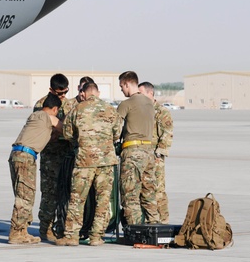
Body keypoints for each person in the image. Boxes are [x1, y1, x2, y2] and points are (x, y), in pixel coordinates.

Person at [55, 82, 121, 246]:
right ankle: (97, 236)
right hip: (106, 161)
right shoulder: (111, 110)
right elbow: (117, 133)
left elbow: (68, 133)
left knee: (77, 198)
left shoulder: (77, 109)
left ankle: (71, 236)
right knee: (103, 199)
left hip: (85, 160)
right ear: (97, 93)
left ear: (83, 93)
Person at [8, 94, 62, 244]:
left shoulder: (34, 115)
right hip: (26, 157)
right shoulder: (48, 117)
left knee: (22, 194)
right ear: (55, 109)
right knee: (25, 197)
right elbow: (65, 129)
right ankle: (15, 233)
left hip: (15, 155)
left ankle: (22, 231)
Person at [116, 71, 161, 226]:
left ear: (127, 84)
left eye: (122, 86)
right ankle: (154, 225)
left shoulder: (126, 104)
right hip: (148, 152)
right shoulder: (149, 103)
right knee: (148, 193)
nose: (122, 90)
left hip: (132, 152)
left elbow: (115, 129)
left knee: (130, 195)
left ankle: (135, 229)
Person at [33, 73, 73, 241]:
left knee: (66, 193)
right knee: (49, 193)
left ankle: (63, 227)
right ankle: (45, 228)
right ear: (51, 90)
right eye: (59, 93)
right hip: (50, 155)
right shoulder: (41, 105)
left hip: (66, 154)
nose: (62, 96)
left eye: (65, 92)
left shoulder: (71, 105)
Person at [139, 81, 173, 222]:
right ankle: (149, 221)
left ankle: (163, 221)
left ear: (150, 93)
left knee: (158, 191)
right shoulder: (141, 111)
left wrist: (158, 154)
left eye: (141, 94)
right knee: (145, 191)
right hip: (142, 155)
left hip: (156, 157)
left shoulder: (161, 112)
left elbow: (167, 133)